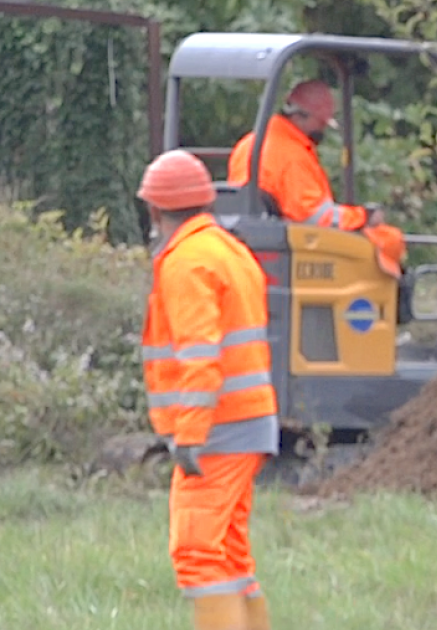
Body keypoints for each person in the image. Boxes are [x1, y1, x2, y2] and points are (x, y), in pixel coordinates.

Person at [138, 149, 280, 630]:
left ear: (155, 211)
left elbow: (200, 356)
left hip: (217, 429)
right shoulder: (229, 249)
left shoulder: (187, 261)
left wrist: (190, 435)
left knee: (197, 550)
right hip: (249, 419)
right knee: (229, 553)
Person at [226, 79, 408, 279]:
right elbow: (315, 217)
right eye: (321, 123)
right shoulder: (291, 155)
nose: (322, 130)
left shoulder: (250, 143)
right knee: (387, 240)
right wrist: (363, 217)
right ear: (300, 116)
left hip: (257, 242)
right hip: (292, 248)